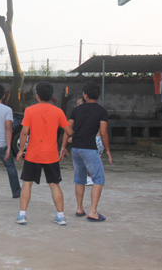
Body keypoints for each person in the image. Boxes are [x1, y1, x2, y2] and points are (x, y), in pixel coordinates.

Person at [15, 81, 69, 226]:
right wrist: (68, 142)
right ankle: (61, 216)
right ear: (51, 96)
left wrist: (20, 150)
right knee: (54, 184)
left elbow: (24, 132)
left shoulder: (30, 110)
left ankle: (22, 215)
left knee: (27, 183)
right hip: (51, 154)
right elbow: (68, 130)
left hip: (33, 153)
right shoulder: (58, 112)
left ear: (37, 95)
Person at [65, 81, 112, 222]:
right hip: (89, 148)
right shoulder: (101, 111)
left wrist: (64, 146)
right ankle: (93, 212)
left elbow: (68, 129)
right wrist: (108, 150)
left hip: (76, 148)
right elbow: (103, 133)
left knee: (79, 179)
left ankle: (79, 209)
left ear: (85, 95)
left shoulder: (76, 110)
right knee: (98, 179)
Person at [68, 96, 104, 186]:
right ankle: (89, 178)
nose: (77, 105)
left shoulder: (87, 114)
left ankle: (90, 178)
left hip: (92, 142)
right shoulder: (83, 113)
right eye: (77, 104)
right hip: (87, 143)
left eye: (79, 103)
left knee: (88, 163)